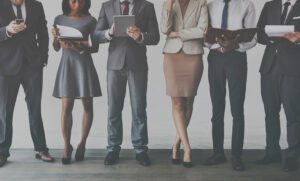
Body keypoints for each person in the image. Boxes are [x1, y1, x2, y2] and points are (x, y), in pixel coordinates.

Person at [94, 0, 160, 166]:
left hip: (137, 65)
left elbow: (155, 37)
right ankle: (113, 149)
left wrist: (141, 36)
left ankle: (140, 149)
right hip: (114, 65)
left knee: (139, 109)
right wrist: (109, 32)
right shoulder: (107, 6)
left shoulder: (147, 7)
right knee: (113, 109)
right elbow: (96, 35)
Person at [0, 0, 54, 167]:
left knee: (35, 108)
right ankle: (2, 152)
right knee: (4, 112)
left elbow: (43, 33)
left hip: (33, 65)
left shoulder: (36, 5)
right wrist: (6, 30)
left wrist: (43, 59)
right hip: (6, 66)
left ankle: (41, 148)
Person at [203, 0, 256, 171]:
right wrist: (210, 42)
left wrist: (235, 45)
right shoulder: (210, 6)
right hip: (216, 58)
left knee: (237, 108)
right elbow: (206, 38)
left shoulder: (246, 5)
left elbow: (253, 38)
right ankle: (218, 152)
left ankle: (236, 156)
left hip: (236, 58)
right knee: (216, 108)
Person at [52, 0, 102, 165]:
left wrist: (79, 47)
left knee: (87, 106)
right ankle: (67, 146)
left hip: (84, 65)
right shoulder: (59, 19)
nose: (77, 4)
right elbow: (56, 47)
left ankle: (82, 144)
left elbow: (95, 48)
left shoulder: (91, 20)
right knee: (66, 107)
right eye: (73, 1)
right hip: (67, 65)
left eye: (81, 1)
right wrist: (55, 38)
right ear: (67, 1)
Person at [161, 0, 208, 168]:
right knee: (177, 102)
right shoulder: (169, 3)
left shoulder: (201, 3)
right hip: (172, 56)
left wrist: (177, 33)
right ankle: (187, 149)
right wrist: (169, 6)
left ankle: (176, 144)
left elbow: (202, 31)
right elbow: (165, 30)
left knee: (188, 102)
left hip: (193, 55)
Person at [256, 0, 300, 172]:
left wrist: (297, 38)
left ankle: (292, 156)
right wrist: (270, 37)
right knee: (270, 113)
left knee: (293, 114)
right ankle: (272, 152)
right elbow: (259, 33)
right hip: (269, 67)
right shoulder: (270, 5)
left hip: (293, 68)